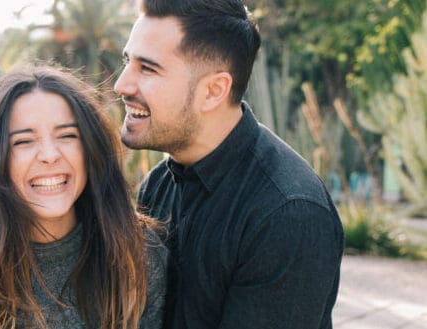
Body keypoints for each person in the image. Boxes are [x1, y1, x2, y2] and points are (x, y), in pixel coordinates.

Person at [114, 0, 344, 328]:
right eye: (127, 61)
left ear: (213, 91)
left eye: (147, 68)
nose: (121, 85)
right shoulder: (158, 185)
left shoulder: (287, 212)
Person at [0, 65, 167, 329]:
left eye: (67, 136)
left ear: (90, 149)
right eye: (24, 141)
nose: (50, 155)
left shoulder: (138, 252)